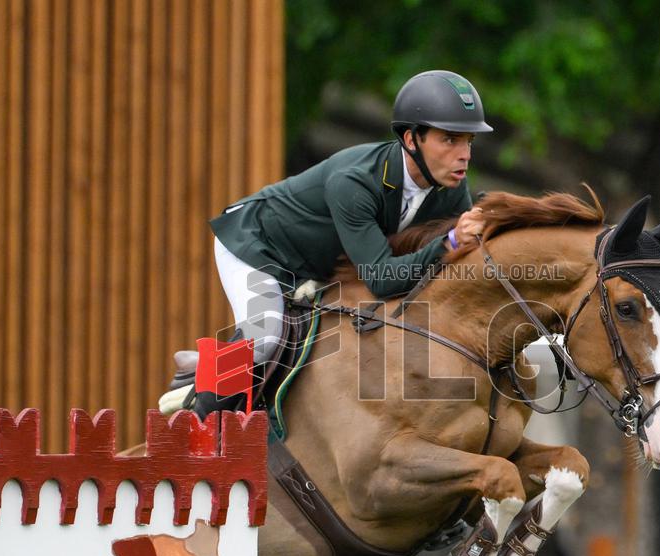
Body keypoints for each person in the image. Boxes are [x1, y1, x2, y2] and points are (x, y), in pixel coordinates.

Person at [207, 70, 493, 371]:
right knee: (263, 340)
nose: (465, 155)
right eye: (450, 139)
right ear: (411, 139)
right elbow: (382, 279)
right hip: (256, 243)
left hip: (315, 265)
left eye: (469, 141)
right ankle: (199, 391)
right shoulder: (355, 182)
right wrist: (449, 242)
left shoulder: (451, 188)